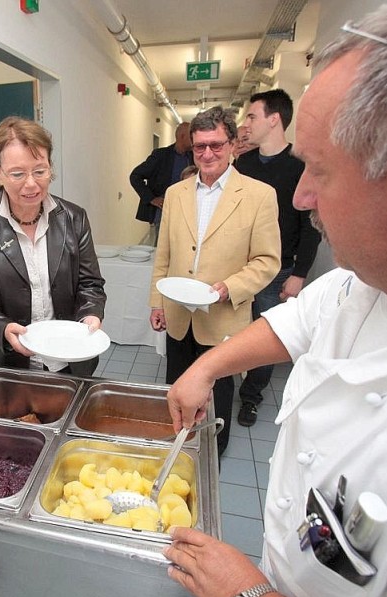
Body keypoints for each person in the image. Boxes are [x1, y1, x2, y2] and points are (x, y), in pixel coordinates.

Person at [163, 0, 387, 597]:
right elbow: (292, 324)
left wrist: (253, 595)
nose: (302, 197)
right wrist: (206, 367)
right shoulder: (362, 282)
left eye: (319, 169)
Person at [149, 106, 280, 456]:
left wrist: (230, 287)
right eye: (199, 147)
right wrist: (156, 302)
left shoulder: (259, 195)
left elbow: (268, 261)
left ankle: (211, 455)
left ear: (233, 145)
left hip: (222, 320)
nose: (207, 154)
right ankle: (179, 449)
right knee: (177, 388)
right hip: (179, 317)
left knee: (217, 398)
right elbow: (163, 253)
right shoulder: (176, 194)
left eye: (216, 145)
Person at [0, 116, 106, 377]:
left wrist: (89, 314)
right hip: (5, 362)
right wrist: (2, 328)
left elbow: (90, 284)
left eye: (39, 170)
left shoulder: (73, 217)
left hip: (68, 359)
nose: (31, 184)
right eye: (17, 174)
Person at [236, 89, 321, 427]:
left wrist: (299, 273)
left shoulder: (298, 165)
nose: (246, 124)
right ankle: (220, 386)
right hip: (239, 268)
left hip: (278, 268)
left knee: (268, 335)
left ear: (274, 120)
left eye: (252, 116)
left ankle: (251, 397)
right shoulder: (243, 164)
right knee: (233, 331)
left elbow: (311, 226)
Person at [130, 121, 193, 242]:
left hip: (187, 212)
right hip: (164, 213)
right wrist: (152, 198)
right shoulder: (161, 156)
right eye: (191, 135)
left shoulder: (193, 157)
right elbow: (135, 176)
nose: (195, 138)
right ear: (182, 136)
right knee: (162, 248)